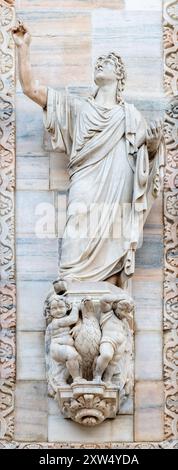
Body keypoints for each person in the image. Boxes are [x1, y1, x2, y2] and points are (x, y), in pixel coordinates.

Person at [12, 20, 165, 288]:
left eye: (106, 62)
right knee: (77, 221)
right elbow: (30, 90)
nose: (99, 63)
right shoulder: (77, 108)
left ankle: (108, 281)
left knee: (112, 227)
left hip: (117, 188)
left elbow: (143, 169)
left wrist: (151, 147)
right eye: (98, 61)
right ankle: (71, 277)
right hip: (85, 180)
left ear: (119, 75)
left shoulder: (130, 116)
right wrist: (23, 48)